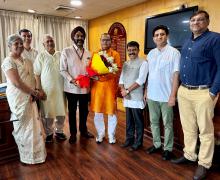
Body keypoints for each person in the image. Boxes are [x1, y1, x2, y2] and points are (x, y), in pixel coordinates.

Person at [171, 10, 220, 180]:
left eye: (200, 20)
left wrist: (213, 92)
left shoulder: (215, 39)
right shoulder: (186, 42)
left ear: (207, 22)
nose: (196, 23)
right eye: (193, 20)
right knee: (188, 127)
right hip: (184, 91)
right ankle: (189, 155)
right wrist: (179, 90)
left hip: (204, 92)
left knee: (205, 131)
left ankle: (204, 163)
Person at [1, 34, 46, 164]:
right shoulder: (8, 62)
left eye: (21, 43)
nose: (20, 45)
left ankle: (37, 156)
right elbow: (16, 83)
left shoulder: (26, 60)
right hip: (19, 97)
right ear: (10, 46)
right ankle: (27, 157)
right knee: (23, 127)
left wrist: (35, 91)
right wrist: (33, 92)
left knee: (34, 125)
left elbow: (33, 76)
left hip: (30, 96)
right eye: (16, 43)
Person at [145, 25, 180, 160]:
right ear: (154, 38)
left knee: (168, 124)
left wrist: (173, 96)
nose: (159, 37)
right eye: (157, 35)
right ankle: (157, 144)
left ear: (167, 36)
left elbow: (176, 75)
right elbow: (149, 75)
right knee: (153, 122)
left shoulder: (174, 53)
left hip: (166, 96)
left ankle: (168, 148)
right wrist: (146, 91)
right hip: (152, 96)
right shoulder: (151, 54)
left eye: (162, 34)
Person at [60, 26, 94, 144]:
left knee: (85, 111)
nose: (80, 38)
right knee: (72, 111)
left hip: (85, 88)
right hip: (71, 88)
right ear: (73, 37)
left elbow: (90, 69)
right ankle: (73, 133)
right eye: (77, 36)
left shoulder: (89, 53)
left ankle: (83, 130)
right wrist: (72, 80)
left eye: (82, 36)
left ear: (84, 37)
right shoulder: (66, 51)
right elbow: (62, 70)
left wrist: (93, 75)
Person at [34, 34, 67, 143]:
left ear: (54, 42)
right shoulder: (41, 56)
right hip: (47, 91)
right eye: (47, 41)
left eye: (51, 41)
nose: (49, 43)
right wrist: (39, 89)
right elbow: (37, 74)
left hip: (61, 89)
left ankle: (59, 131)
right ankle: (49, 133)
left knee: (61, 111)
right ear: (43, 44)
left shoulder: (61, 54)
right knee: (47, 113)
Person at [90, 33, 122, 144]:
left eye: (108, 40)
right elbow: (91, 68)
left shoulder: (115, 54)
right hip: (97, 88)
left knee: (111, 112)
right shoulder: (95, 54)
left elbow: (116, 71)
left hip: (110, 88)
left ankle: (111, 135)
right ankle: (101, 133)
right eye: (103, 40)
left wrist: (101, 78)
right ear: (100, 41)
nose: (105, 42)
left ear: (111, 41)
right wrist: (93, 76)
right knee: (98, 112)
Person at [119, 41, 148, 151]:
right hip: (127, 97)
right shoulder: (126, 63)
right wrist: (122, 90)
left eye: (134, 50)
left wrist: (127, 90)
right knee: (129, 120)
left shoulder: (143, 63)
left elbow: (140, 80)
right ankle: (129, 139)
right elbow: (121, 79)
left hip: (136, 97)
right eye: (129, 50)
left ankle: (138, 142)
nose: (131, 52)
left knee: (138, 122)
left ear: (138, 50)